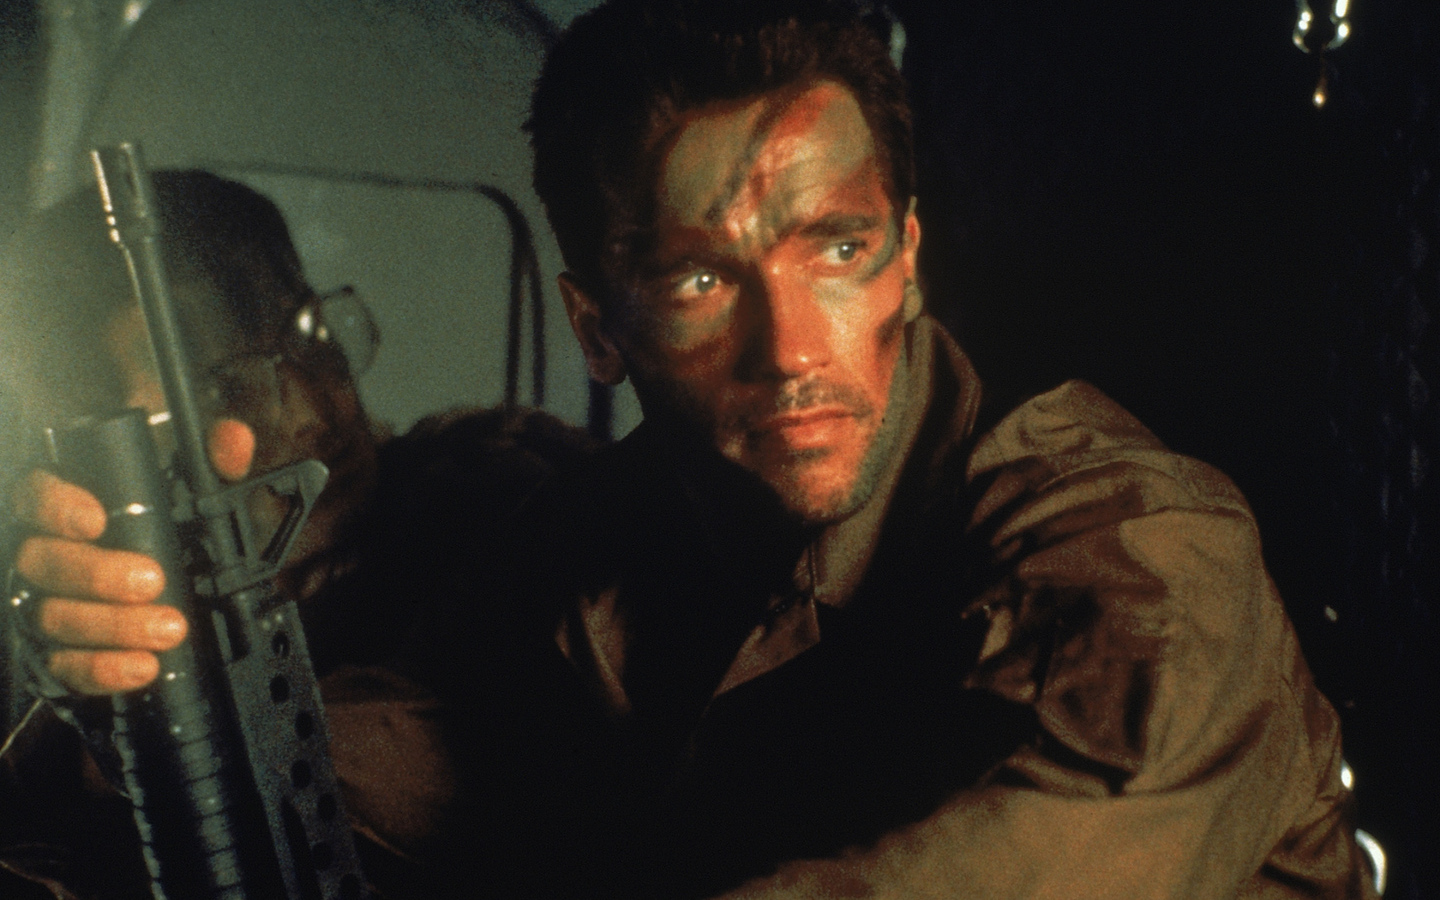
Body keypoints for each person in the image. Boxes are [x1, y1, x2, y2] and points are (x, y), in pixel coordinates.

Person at [10, 1, 1378, 897]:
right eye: (699, 279)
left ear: (906, 260)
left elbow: (1021, 854)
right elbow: (370, 767)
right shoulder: (596, 540)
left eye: (835, 250)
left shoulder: (1133, 539)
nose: (791, 347)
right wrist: (129, 689)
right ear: (596, 328)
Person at [0, 171, 593, 898]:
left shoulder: (505, 494)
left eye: (309, 336)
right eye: (222, 387)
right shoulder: (79, 643)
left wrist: (151, 736)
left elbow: (434, 765)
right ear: (102, 460)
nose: (314, 410)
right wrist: (97, 706)